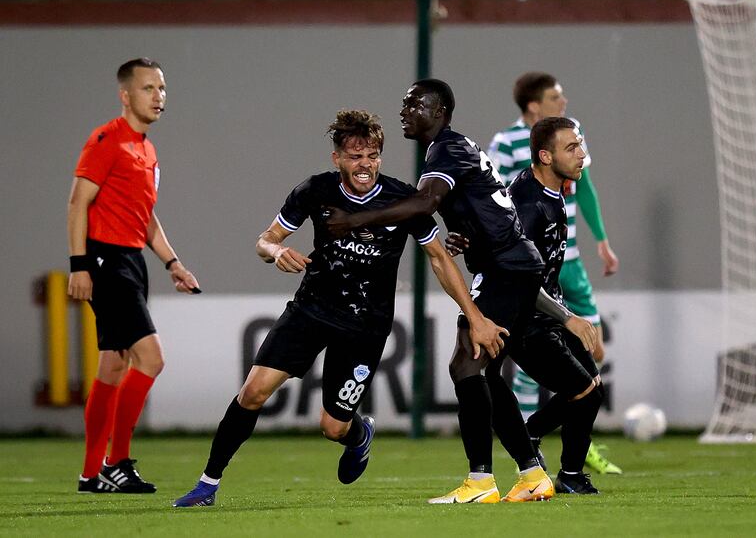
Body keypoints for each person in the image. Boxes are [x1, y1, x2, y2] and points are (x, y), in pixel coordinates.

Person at [171, 109, 507, 507]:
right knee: (253, 392)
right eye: (354, 156)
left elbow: (438, 258)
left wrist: (476, 317)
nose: (364, 165)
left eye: (372, 156)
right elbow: (266, 238)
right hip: (311, 309)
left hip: (365, 327)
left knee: (332, 427)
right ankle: (207, 485)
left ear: (380, 157)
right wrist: (276, 251)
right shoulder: (315, 190)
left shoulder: (404, 200)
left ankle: (359, 434)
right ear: (337, 159)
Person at [324, 79, 596, 504]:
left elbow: (423, 204)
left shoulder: (446, 149)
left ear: (438, 111)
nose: (404, 110)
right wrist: (467, 234)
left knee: (467, 367)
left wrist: (356, 221)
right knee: (482, 371)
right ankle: (531, 475)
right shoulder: (451, 148)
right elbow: (485, 203)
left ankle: (482, 482)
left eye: (413, 103)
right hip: (512, 267)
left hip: (507, 270)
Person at [448, 117, 606, 494]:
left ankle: (552, 462)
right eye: (572, 148)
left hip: (545, 309)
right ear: (545, 156)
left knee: (589, 391)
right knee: (582, 392)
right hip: (527, 316)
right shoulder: (528, 204)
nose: (582, 154)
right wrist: (568, 318)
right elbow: (516, 273)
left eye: (580, 145)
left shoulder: (549, 193)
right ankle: (529, 465)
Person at [69, 58, 201, 494]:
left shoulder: (147, 149)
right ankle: (118, 461)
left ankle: (92, 474)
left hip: (131, 262)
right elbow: (77, 204)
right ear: (125, 95)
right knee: (152, 359)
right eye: (148, 88)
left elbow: (145, 218)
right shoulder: (107, 139)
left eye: (162, 88)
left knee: (112, 365)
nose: (158, 96)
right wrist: (80, 265)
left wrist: (173, 263)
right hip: (106, 261)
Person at [487, 72, 622, 475]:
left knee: (590, 358)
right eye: (554, 96)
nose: (563, 102)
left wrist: (601, 238)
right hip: (527, 266)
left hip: (569, 262)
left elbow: (587, 188)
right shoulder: (507, 147)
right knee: (549, 366)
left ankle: (547, 435)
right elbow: (494, 199)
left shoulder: (570, 134)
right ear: (533, 105)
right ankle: (533, 453)